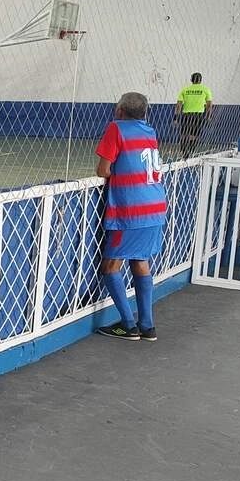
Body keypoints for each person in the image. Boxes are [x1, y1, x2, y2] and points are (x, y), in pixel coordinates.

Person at [95, 91, 167, 342]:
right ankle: (147, 326)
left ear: (120, 111)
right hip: (156, 206)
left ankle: (128, 325)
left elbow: (102, 170)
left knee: (110, 266)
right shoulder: (150, 132)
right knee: (140, 261)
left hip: (131, 211)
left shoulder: (116, 128)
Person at [174, 72, 213, 158]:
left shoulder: (185, 90)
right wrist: (208, 116)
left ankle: (183, 152)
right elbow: (209, 105)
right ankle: (191, 151)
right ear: (200, 80)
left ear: (191, 80)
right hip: (198, 115)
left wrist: (175, 118)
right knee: (194, 135)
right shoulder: (205, 89)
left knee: (183, 134)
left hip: (186, 115)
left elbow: (179, 105)